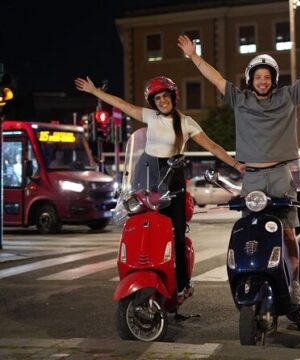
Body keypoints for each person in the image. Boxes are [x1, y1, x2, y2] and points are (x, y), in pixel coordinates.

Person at [177, 33, 300, 305]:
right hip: (252, 177)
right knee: (249, 228)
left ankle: (294, 283)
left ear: (273, 79)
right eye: (258, 77)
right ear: (250, 79)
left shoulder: (287, 97)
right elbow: (216, 78)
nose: (263, 81)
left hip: (281, 174)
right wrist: (194, 56)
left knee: (288, 230)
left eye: (267, 77)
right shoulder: (239, 99)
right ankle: (251, 276)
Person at [75, 75, 245, 304]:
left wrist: (235, 164)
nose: (162, 101)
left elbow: (213, 146)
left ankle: (182, 284)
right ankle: (142, 271)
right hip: (146, 174)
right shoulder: (150, 117)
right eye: (157, 98)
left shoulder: (186, 123)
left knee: (175, 233)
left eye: (165, 96)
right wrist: (96, 92)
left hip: (172, 175)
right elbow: (124, 105)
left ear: (173, 97)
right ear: (152, 102)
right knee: (140, 226)